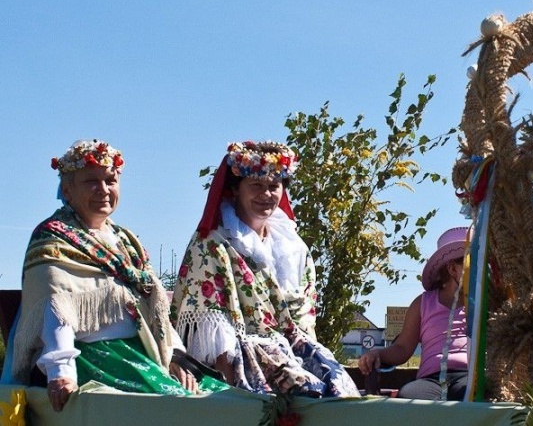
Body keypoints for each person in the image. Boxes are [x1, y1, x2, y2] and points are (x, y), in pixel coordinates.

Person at [10, 140, 228, 412]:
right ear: (67, 189)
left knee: (222, 396)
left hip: (142, 353)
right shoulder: (53, 239)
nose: (103, 190)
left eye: (110, 181)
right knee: (176, 405)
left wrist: (174, 355)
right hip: (90, 356)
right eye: (91, 181)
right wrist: (61, 372)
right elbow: (56, 306)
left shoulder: (126, 241)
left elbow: (154, 305)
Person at [170, 141, 358, 397]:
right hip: (244, 354)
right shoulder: (213, 244)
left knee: (340, 389)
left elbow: (304, 318)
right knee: (303, 390)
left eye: (273, 186)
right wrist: (229, 390)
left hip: (294, 349)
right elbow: (212, 331)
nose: (266, 195)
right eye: (256, 186)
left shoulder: (293, 246)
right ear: (235, 190)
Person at [358, 227, 469, 400]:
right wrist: (377, 353)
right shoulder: (423, 303)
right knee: (411, 395)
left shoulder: (484, 304)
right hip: (431, 379)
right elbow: (402, 348)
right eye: (471, 262)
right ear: (453, 269)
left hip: (469, 376)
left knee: (473, 394)